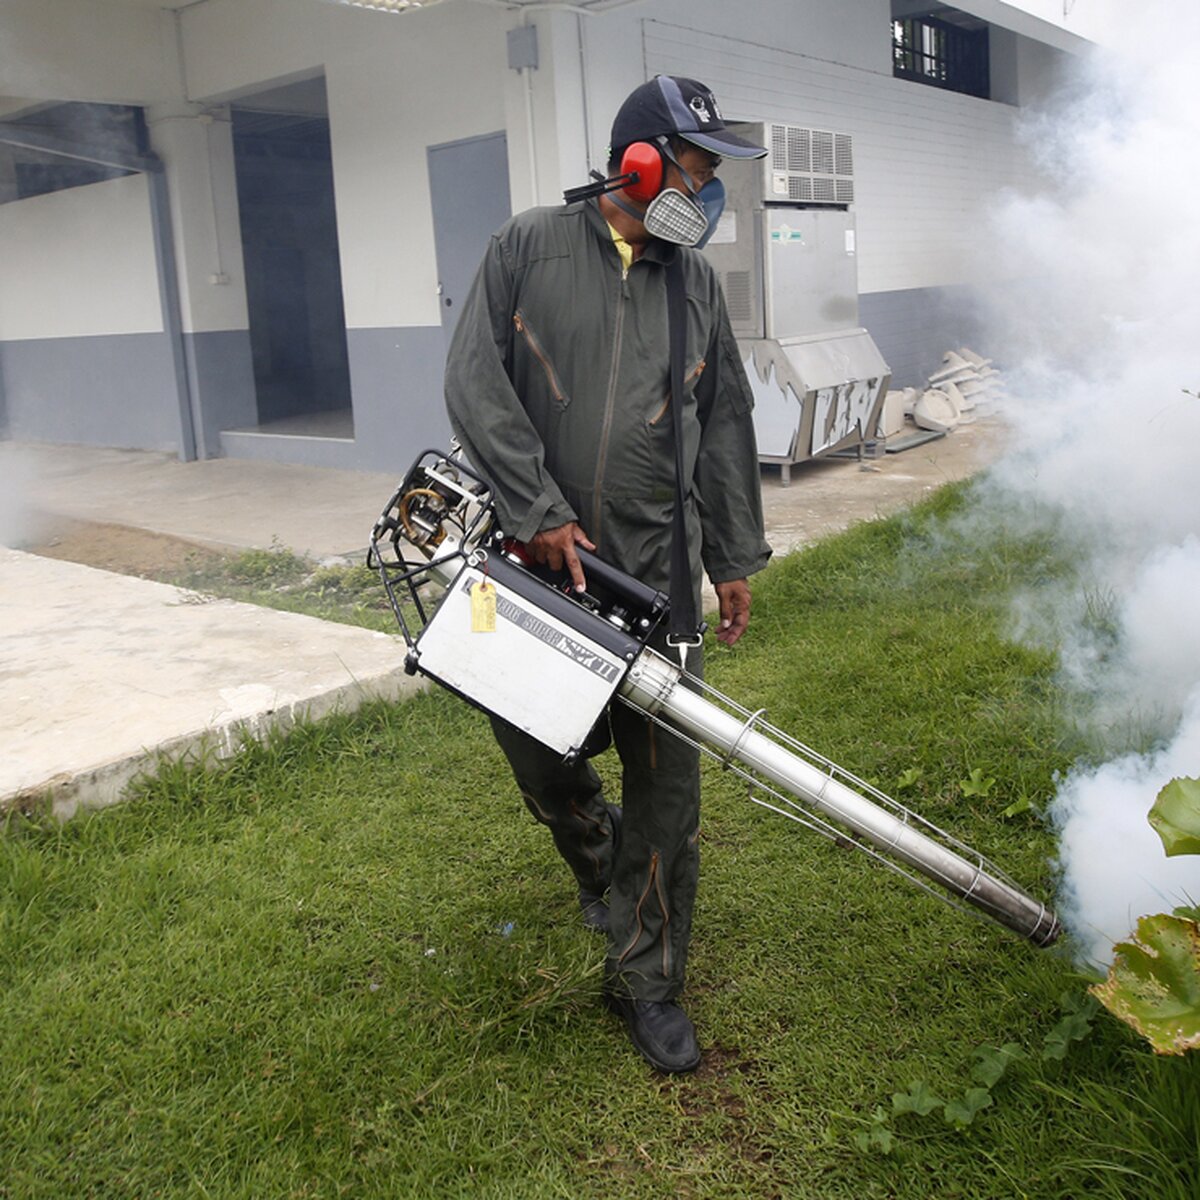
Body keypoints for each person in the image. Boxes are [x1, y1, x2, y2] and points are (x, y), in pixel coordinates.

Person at [443, 74, 771, 1074]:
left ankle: (646, 978)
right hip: (542, 573)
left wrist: (731, 555)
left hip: (658, 578)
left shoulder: (696, 285)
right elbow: (473, 379)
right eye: (696, 167)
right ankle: (598, 857)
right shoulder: (527, 248)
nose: (707, 190)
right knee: (541, 757)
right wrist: (537, 510)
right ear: (638, 161)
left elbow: (723, 422)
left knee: (668, 791)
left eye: (715, 174)